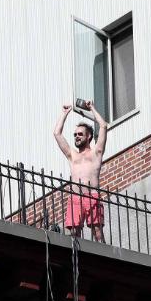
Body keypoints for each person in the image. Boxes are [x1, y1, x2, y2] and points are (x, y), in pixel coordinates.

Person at [53, 100, 108, 241]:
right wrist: (64, 113)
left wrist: (92, 108)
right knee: (73, 234)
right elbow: (57, 134)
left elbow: (103, 126)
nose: (77, 137)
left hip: (92, 196)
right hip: (75, 198)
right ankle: (78, 261)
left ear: (88, 136)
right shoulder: (73, 155)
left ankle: (102, 259)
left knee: (97, 232)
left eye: (80, 134)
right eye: (75, 135)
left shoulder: (96, 153)